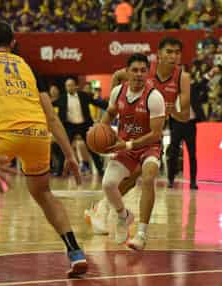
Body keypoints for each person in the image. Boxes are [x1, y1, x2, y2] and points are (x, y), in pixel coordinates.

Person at [0, 20, 87, 277]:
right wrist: (69, 154)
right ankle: (75, 252)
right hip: (37, 134)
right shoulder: (28, 67)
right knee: (43, 193)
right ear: (12, 43)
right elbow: (52, 118)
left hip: (1, 133)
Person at [86, 37, 191, 246]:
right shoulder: (138, 73)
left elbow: (184, 116)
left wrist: (170, 110)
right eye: (169, 52)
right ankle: (112, 210)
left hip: (150, 139)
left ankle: (139, 231)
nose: (173, 56)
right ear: (158, 55)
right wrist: (101, 128)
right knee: (118, 181)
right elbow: (117, 80)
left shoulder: (180, 78)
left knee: (147, 176)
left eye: (177, 52)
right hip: (129, 137)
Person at [91, 53, 166, 249]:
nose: (139, 74)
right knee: (108, 184)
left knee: (148, 178)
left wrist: (128, 145)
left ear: (148, 73)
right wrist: (100, 131)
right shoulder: (118, 92)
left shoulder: (154, 97)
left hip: (149, 146)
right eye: (135, 70)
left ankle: (141, 235)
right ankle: (123, 215)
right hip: (126, 145)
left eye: (143, 70)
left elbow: (156, 134)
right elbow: (109, 113)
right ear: (127, 71)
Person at [52, 78, 108, 176]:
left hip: (84, 125)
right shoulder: (62, 98)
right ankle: (59, 171)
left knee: (92, 147)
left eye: (71, 85)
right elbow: (50, 105)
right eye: (67, 86)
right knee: (64, 149)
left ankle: (100, 170)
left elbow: (97, 103)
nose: (69, 87)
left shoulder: (84, 96)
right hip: (69, 126)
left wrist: (111, 106)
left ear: (75, 86)